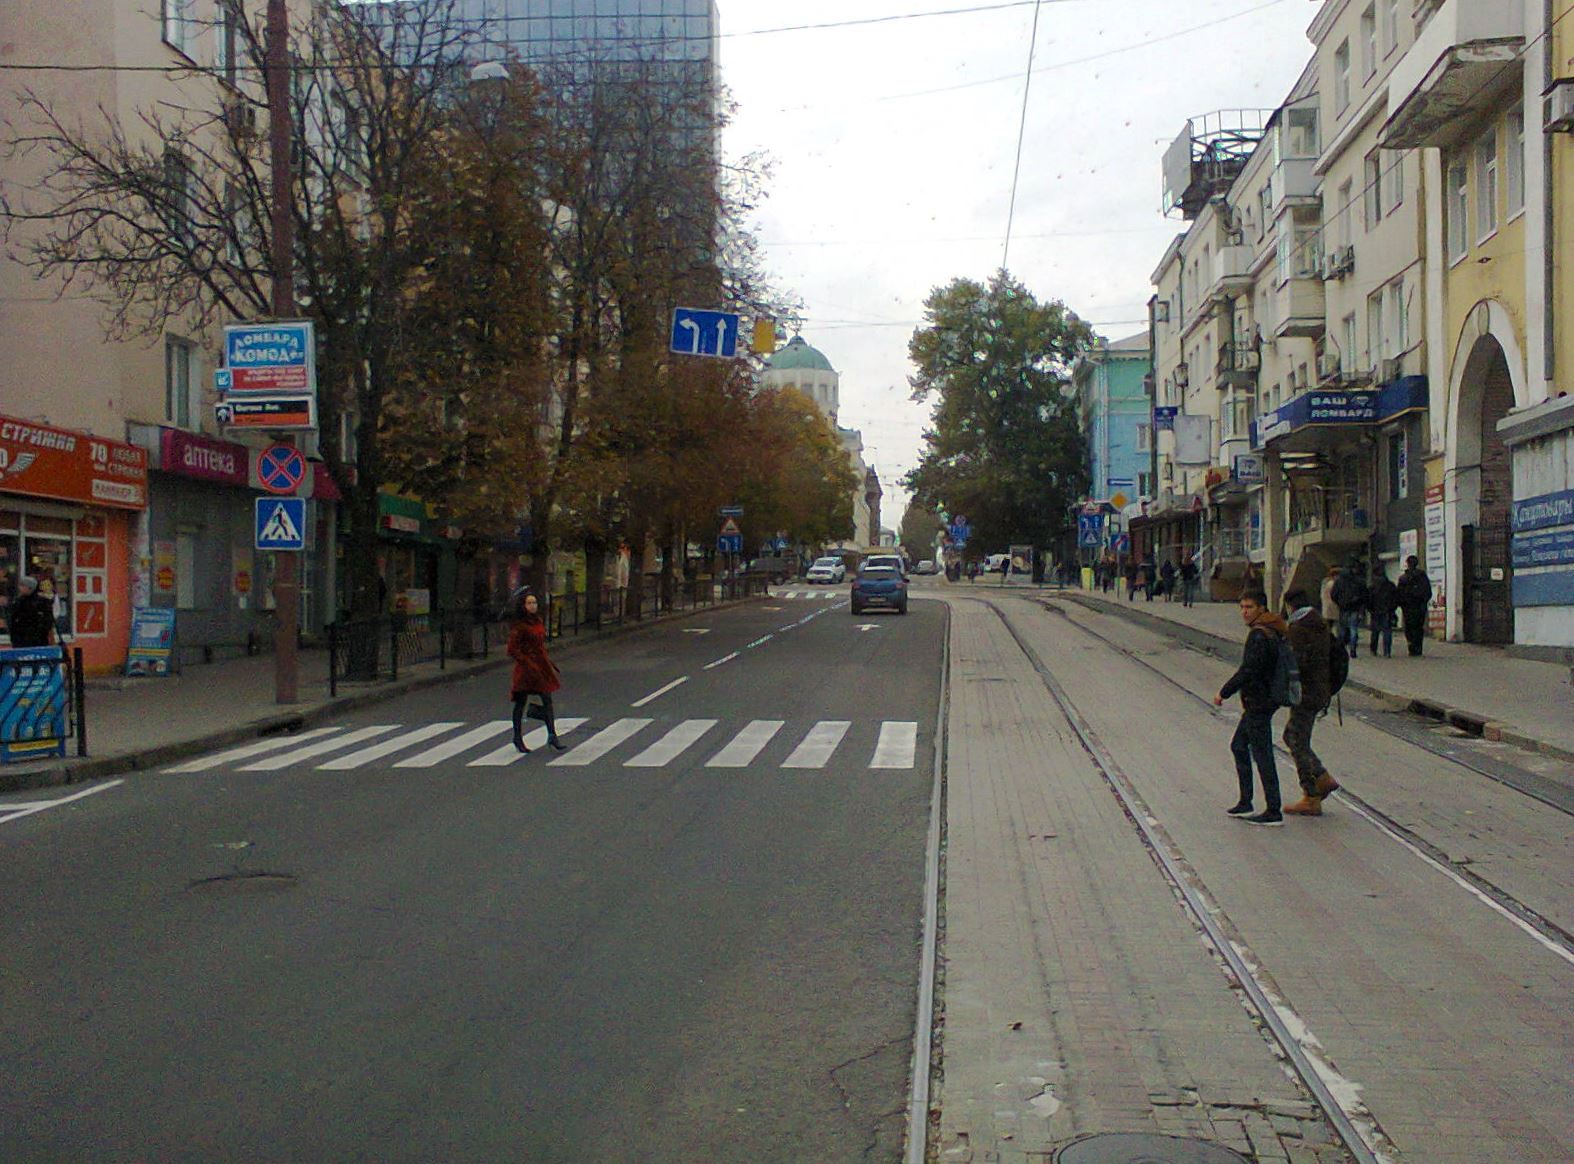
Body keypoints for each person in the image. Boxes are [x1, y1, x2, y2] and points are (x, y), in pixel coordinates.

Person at [1212, 588, 1288, 826]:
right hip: (1263, 701)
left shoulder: (1259, 635)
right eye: (1242, 607)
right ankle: (1246, 801)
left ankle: (1273, 810)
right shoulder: (1273, 629)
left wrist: (1224, 692)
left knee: (1262, 754)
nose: (1244, 612)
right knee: (1238, 746)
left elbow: (1249, 670)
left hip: (1259, 701)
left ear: (1261, 608)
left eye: (1249, 607)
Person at [1281, 590, 1341, 816]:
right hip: (1319, 690)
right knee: (1294, 736)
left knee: (1296, 739)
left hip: (1306, 693)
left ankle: (1312, 793)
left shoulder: (1299, 628)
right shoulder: (1319, 624)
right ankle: (1321, 778)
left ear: (1290, 606)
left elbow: (1297, 662)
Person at [506, 588, 566, 754]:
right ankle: (517, 737)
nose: (533, 606)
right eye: (529, 603)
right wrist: (527, 662)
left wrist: (547, 662)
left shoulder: (538, 621)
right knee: (520, 703)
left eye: (534, 603)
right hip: (526, 669)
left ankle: (552, 735)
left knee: (547, 699)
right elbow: (512, 649)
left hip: (541, 666)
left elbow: (540, 645)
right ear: (523, 606)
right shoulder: (520, 625)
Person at [1396, 555, 1433, 657]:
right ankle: (1418, 648)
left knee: (1409, 628)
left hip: (1408, 608)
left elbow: (1399, 594)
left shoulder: (1403, 579)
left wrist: (1402, 604)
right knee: (1418, 627)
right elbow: (1428, 592)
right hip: (1420, 607)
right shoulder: (1422, 577)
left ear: (1407, 564)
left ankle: (1411, 646)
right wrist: (1423, 602)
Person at [1330, 564, 1368, 659]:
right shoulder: (1358, 581)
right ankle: (1353, 649)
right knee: (1353, 629)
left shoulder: (1339, 581)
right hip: (1355, 608)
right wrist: (1360, 606)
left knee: (1342, 629)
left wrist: (1339, 603)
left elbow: (1333, 594)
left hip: (1343, 608)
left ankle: (1341, 649)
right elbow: (1364, 595)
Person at [7, 576, 57, 648]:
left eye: (22, 585)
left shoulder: (42, 602)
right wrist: (13, 636)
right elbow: (12, 619)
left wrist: (41, 632)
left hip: (38, 640)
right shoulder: (18, 601)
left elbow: (48, 620)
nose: (20, 588)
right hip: (20, 640)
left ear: (30, 588)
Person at [1368, 569, 1399, 658]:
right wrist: (1392, 609)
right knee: (1387, 631)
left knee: (1375, 631)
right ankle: (1387, 651)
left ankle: (1373, 650)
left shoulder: (1372, 587)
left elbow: (1368, 600)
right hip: (1387, 611)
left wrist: (1370, 609)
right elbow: (1396, 599)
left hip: (1375, 611)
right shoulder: (1390, 586)